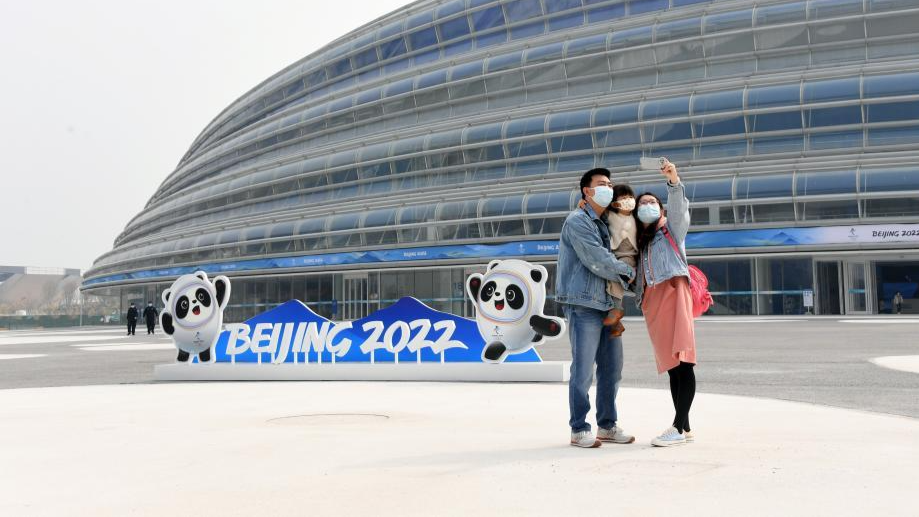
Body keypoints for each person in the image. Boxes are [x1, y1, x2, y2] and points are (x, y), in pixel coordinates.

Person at [556, 167, 636, 448]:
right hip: (584, 304)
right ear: (586, 191)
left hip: (610, 305)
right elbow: (597, 259)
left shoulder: (607, 222)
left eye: (610, 184)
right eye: (602, 184)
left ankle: (607, 425)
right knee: (583, 371)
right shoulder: (577, 221)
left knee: (612, 369)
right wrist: (629, 273)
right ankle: (579, 428)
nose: (608, 188)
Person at [633, 159, 697, 447]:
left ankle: (677, 428)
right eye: (642, 204)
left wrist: (673, 181)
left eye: (652, 202)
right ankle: (685, 426)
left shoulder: (671, 229)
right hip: (653, 303)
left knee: (684, 361)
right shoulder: (640, 241)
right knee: (672, 365)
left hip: (674, 292)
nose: (647, 206)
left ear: (661, 209)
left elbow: (679, 210)